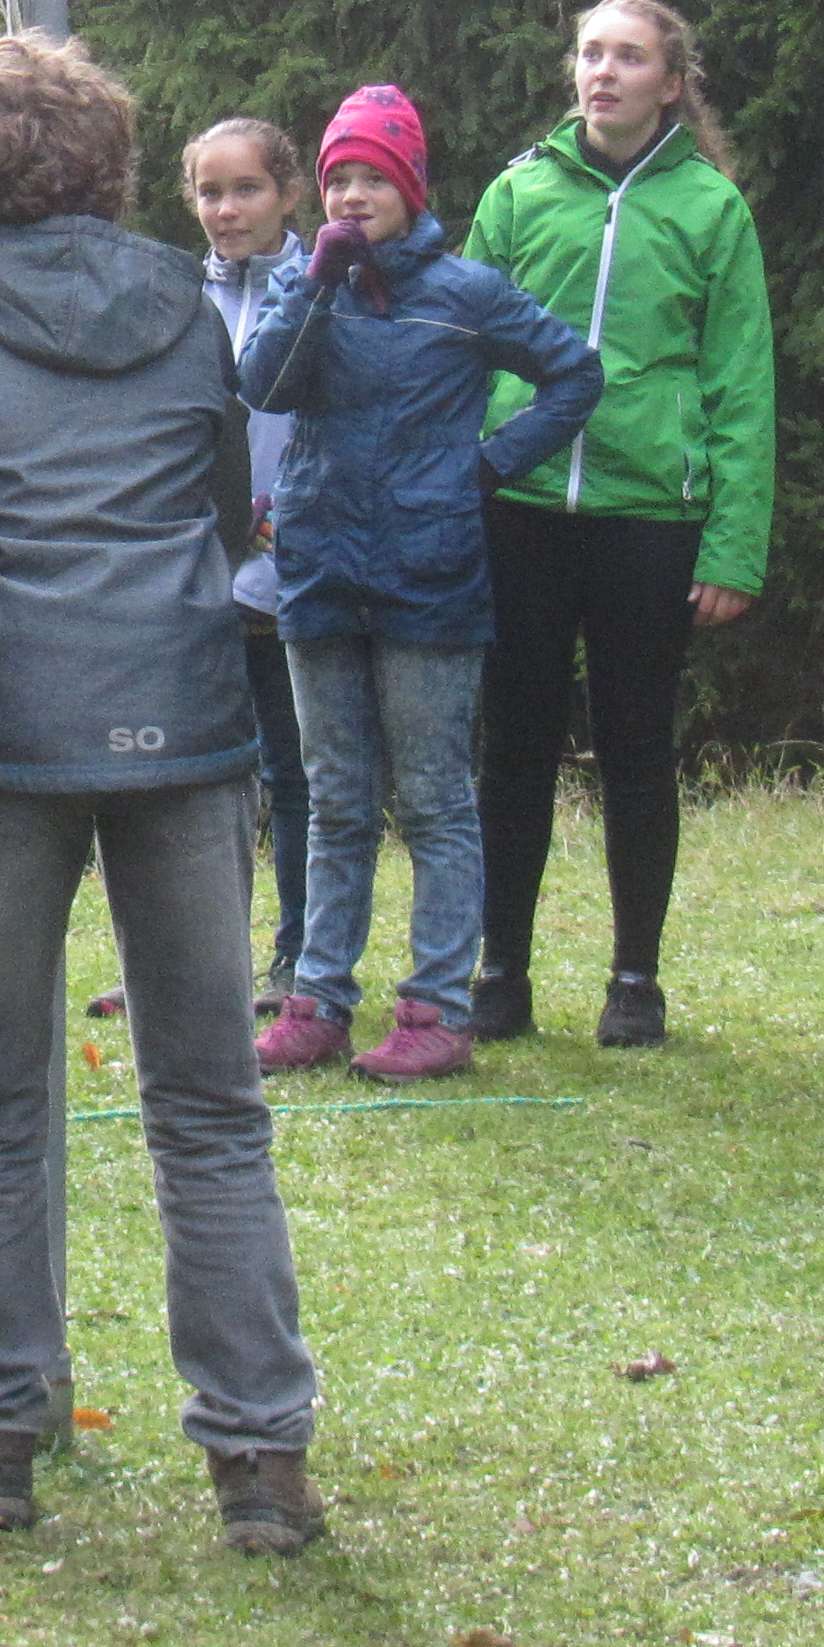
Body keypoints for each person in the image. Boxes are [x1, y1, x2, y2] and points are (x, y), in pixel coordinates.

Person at [0, 33, 325, 1555]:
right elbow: (220, 509)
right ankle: (259, 1457)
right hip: (183, 723)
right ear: (116, 168)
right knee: (211, 1105)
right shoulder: (191, 319)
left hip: (3, 731)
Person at [239, 86, 603, 1082]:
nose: (353, 196)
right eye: (338, 179)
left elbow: (574, 374)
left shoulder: (467, 292)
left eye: (374, 178)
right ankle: (318, 1002)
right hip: (319, 567)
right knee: (336, 797)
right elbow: (261, 385)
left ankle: (438, 1009)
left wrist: (489, 466)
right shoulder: (305, 286)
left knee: (436, 798)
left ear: (412, 188)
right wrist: (315, 286)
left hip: (429, 572)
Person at [462, 0, 775, 1050]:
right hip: (520, 507)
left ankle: (635, 979)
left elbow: (742, 383)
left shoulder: (712, 211)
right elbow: (460, 350)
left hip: (650, 516)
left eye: (630, 56)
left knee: (638, 747)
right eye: (591, 52)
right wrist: (454, 488)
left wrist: (733, 545)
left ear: (671, 83)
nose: (604, 71)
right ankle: (499, 970)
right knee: (513, 745)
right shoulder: (518, 192)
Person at [84, 117, 312, 1030]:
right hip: (189, 576)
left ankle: (298, 958)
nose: (227, 210)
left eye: (247, 189)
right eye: (210, 192)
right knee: (177, 774)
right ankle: (171, 960)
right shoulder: (172, 298)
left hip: (292, 574)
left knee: (293, 772)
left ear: (288, 194)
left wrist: (282, 525)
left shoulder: (321, 288)